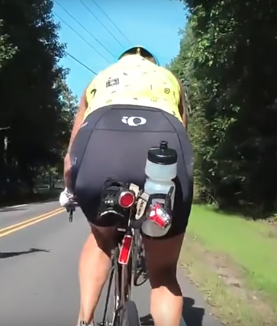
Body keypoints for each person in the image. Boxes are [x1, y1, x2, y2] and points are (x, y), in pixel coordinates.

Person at [60, 46, 194, 326]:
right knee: (164, 272)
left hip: (100, 143)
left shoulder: (99, 79)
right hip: (163, 146)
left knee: (100, 238)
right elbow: (183, 133)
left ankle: (84, 320)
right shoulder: (169, 79)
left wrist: (71, 191)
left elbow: (70, 156)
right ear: (151, 63)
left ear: (122, 62)